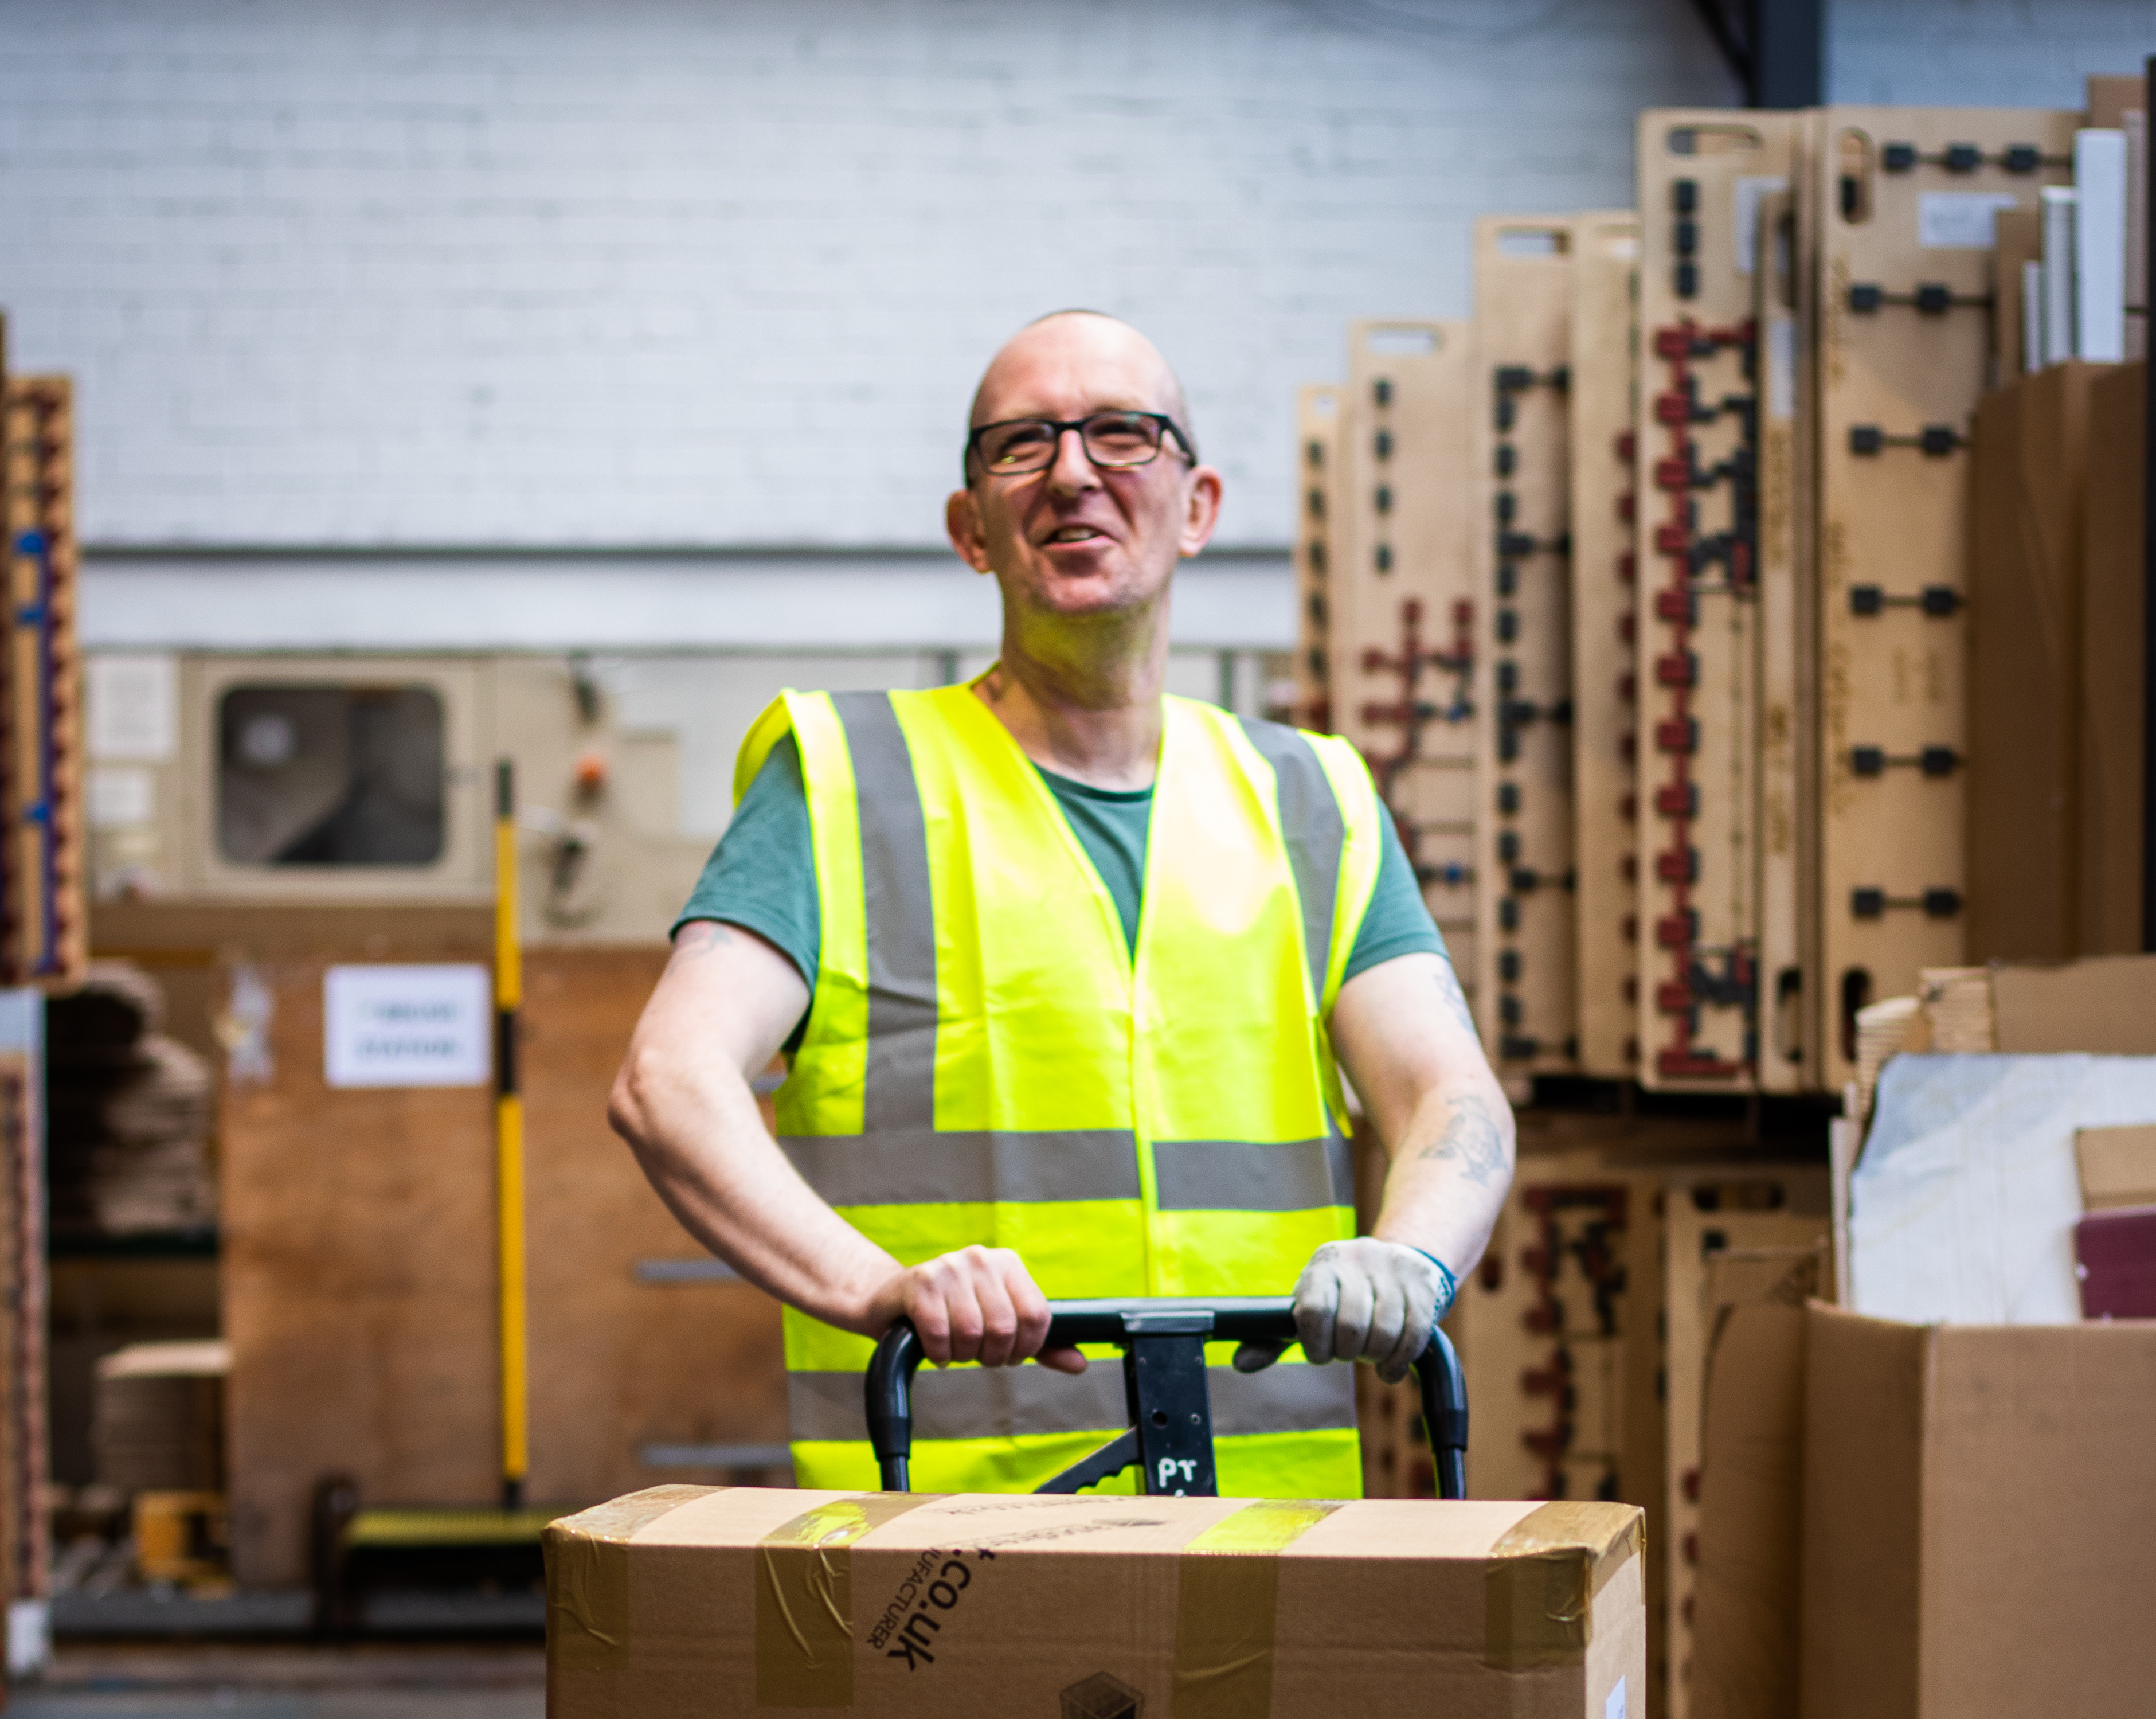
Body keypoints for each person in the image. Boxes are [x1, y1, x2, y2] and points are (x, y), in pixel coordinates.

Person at [610, 307, 1514, 1492]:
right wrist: (873, 1289)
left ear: (1197, 508)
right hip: (940, 1542)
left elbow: (1447, 1091)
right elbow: (667, 1081)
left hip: (1268, 1531)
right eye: (1021, 444)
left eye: (1122, 435)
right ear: (968, 528)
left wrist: (1414, 1260)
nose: (1073, 472)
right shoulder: (841, 777)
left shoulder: (1313, 798)